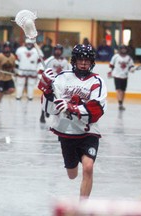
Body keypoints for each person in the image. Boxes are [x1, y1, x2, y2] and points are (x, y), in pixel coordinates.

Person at [37, 44, 107, 197]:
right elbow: (50, 109)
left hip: (88, 132)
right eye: (80, 60)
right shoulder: (62, 77)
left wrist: (73, 108)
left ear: (92, 62)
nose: (83, 63)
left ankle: (82, 208)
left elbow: (97, 109)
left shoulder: (97, 81)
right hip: (67, 131)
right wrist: (48, 91)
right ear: (74, 60)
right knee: (72, 174)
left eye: (87, 60)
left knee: (88, 167)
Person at [38, 44, 70, 123]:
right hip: (51, 84)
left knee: (60, 100)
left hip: (62, 85)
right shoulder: (49, 60)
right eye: (56, 49)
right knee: (46, 99)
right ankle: (42, 115)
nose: (58, 51)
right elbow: (40, 70)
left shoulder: (65, 62)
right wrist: (44, 80)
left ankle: (59, 118)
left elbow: (69, 72)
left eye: (59, 50)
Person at [108, 44, 135, 110]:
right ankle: (120, 104)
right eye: (122, 49)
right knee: (118, 90)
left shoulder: (128, 58)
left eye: (124, 49)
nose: (123, 50)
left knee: (123, 91)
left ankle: (121, 103)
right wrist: (111, 71)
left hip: (125, 76)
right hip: (117, 76)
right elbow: (111, 65)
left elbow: (131, 66)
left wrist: (132, 69)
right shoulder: (116, 57)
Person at [0, 42, 16, 112]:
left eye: (8, 47)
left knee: (12, 90)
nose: (7, 48)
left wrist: (14, 71)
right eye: (5, 47)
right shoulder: (0, 56)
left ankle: (1, 93)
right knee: (0, 92)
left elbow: (13, 67)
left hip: (9, 78)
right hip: (0, 78)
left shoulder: (12, 56)